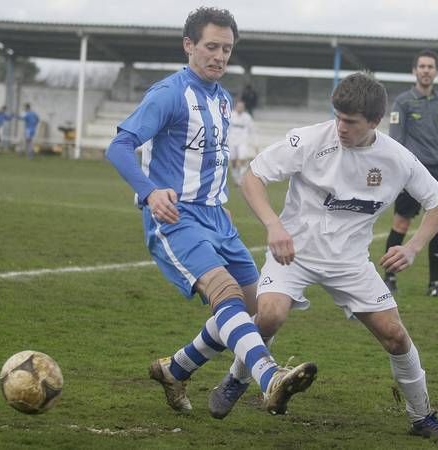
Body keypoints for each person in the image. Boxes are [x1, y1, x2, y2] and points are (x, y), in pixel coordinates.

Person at [105, 7, 315, 419]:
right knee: (227, 297)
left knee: (263, 310)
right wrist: (149, 194)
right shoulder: (169, 93)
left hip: (218, 219)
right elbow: (119, 146)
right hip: (176, 218)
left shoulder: (221, 99)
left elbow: (209, 161)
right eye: (211, 47)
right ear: (189, 46)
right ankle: (268, 377)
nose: (219, 56)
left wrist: (222, 207)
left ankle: (174, 369)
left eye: (227, 49)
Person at [237, 72, 438, 440]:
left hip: (350, 263)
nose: (340, 127)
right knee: (269, 316)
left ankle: (422, 416)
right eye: (337, 116)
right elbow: (251, 178)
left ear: (374, 122)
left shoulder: (396, 158)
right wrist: (274, 225)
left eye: (350, 122)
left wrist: (413, 247)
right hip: (295, 251)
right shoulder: (309, 139)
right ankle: (236, 379)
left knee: (395, 336)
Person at [383, 49, 438, 298]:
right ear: (415, 71)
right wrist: (398, 174)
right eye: (422, 66)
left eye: (430, 66)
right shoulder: (402, 102)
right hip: (411, 171)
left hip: (437, 172)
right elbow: (396, 140)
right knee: (401, 223)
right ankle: (390, 278)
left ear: (436, 71)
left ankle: (434, 284)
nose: (426, 70)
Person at [229, 96, 256, 185]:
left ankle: (241, 179)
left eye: (242, 106)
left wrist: (254, 143)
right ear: (236, 107)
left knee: (242, 159)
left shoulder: (247, 117)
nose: (240, 108)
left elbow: (252, 130)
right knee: (233, 161)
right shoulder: (230, 115)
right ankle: (236, 178)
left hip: (243, 141)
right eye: (239, 106)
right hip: (232, 141)